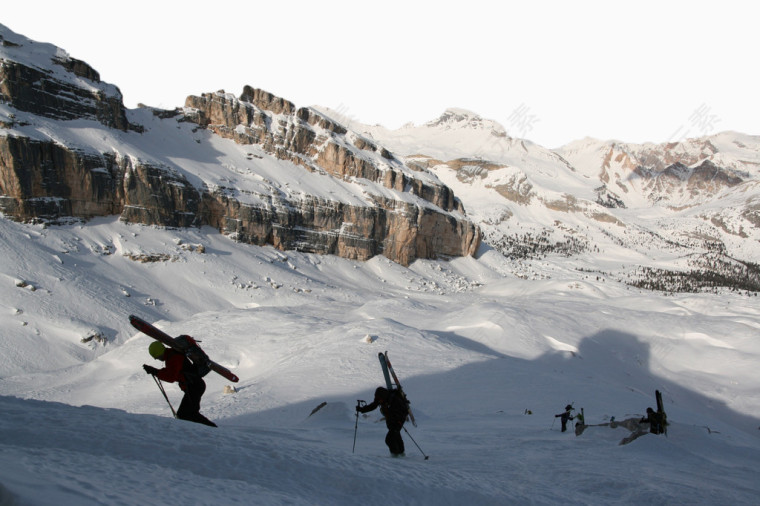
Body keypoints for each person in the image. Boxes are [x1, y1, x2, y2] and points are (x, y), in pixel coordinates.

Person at [143, 341, 217, 427]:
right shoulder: (171, 355)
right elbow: (172, 372)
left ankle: (212, 430)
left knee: (185, 414)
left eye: (158, 357)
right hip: (194, 385)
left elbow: (171, 377)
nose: (158, 359)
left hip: (194, 386)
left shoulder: (173, 357)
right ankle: (209, 430)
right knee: (189, 413)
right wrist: (155, 371)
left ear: (160, 353)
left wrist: (155, 371)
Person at [357, 386, 409, 456]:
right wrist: (362, 409)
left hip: (398, 421)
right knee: (396, 436)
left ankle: (395, 456)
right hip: (391, 421)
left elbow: (403, 411)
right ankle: (401, 454)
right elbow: (373, 405)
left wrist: (398, 422)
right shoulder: (381, 398)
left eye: (380, 400)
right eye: (378, 400)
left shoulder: (395, 400)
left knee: (389, 439)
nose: (379, 402)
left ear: (384, 397)